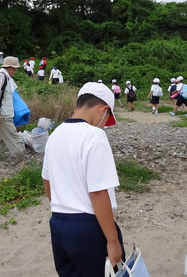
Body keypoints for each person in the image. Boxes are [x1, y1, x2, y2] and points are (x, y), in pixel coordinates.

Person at [42, 82, 125, 276]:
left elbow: (47, 180)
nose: (105, 124)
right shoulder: (95, 136)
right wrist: (112, 240)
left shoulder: (55, 134)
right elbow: (97, 192)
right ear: (103, 109)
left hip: (58, 224)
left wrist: (63, 205)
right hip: (88, 227)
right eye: (107, 118)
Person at [0, 57, 26, 175]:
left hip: (3, 114)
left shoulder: (5, 77)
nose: (15, 71)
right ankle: (23, 168)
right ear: (10, 68)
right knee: (14, 139)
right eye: (15, 69)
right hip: (2, 115)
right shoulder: (1, 76)